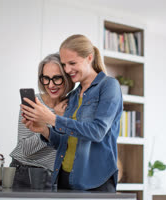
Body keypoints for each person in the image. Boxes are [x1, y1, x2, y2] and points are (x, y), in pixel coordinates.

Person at [21, 34, 123, 191]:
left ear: (89, 58)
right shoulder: (73, 96)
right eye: (64, 64)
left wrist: (53, 118)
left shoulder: (109, 86)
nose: (67, 70)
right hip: (64, 178)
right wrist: (44, 129)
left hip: (95, 181)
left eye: (72, 63)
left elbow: (97, 132)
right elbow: (64, 142)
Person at [9, 53, 74, 188]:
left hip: (54, 177)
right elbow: (25, 150)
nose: (51, 85)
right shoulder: (33, 104)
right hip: (24, 173)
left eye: (57, 78)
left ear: (67, 78)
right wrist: (53, 119)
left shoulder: (72, 107)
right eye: (46, 78)